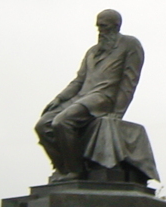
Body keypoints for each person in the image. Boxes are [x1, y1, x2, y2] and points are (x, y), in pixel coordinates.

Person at [35, 9, 144, 182]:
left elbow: (129, 80)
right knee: (42, 125)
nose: (100, 30)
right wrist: (60, 98)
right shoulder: (92, 52)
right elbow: (79, 81)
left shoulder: (130, 45)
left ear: (116, 26)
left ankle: (76, 170)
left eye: (104, 26)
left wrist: (118, 112)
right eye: (98, 26)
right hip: (80, 97)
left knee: (62, 122)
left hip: (102, 98)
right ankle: (63, 168)